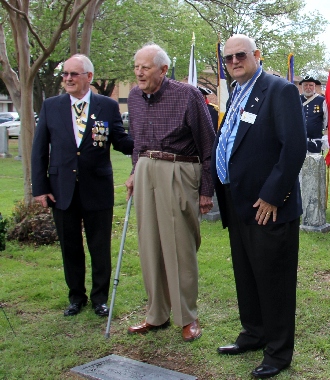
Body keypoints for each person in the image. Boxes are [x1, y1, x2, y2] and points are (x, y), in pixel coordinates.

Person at [211, 35, 306, 378]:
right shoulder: (236, 91)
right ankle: (253, 334)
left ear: (257, 55)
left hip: (269, 205)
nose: (234, 61)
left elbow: (293, 148)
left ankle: (278, 353)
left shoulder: (279, 90)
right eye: (229, 57)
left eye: (241, 55)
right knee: (247, 276)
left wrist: (272, 195)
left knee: (274, 281)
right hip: (238, 202)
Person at [125, 43, 215, 342]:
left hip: (178, 170)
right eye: (136, 66)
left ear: (163, 70)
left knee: (179, 247)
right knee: (149, 244)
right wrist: (134, 172)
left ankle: (186, 316)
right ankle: (156, 314)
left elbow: (207, 145)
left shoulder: (187, 95)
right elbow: (136, 141)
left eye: (145, 67)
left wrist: (205, 191)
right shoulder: (135, 97)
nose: (139, 72)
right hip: (146, 170)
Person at [31, 54, 133, 317]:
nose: (67, 79)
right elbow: (39, 149)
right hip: (62, 189)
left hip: (96, 188)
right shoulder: (51, 107)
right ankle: (76, 297)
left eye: (73, 74)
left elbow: (121, 141)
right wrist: (41, 188)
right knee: (70, 246)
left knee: (99, 247)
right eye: (65, 74)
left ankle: (100, 299)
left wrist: (146, 142)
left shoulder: (107, 106)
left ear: (88, 76)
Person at [299, 75, 328, 153]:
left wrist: (326, 136)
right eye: (305, 85)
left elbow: (327, 121)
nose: (308, 87)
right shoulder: (297, 100)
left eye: (311, 85)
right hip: (299, 143)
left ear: (314, 86)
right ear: (302, 86)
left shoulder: (322, 101)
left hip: (315, 143)